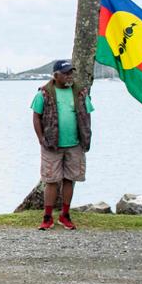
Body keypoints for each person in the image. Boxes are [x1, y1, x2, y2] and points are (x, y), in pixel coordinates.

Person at [31, 59, 94, 231]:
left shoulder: (80, 92)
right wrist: (41, 138)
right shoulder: (44, 93)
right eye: (66, 73)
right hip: (51, 145)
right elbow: (36, 116)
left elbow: (87, 115)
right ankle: (47, 217)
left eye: (71, 73)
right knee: (51, 181)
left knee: (70, 179)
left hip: (75, 145)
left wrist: (86, 138)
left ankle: (65, 216)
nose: (69, 76)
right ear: (56, 75)